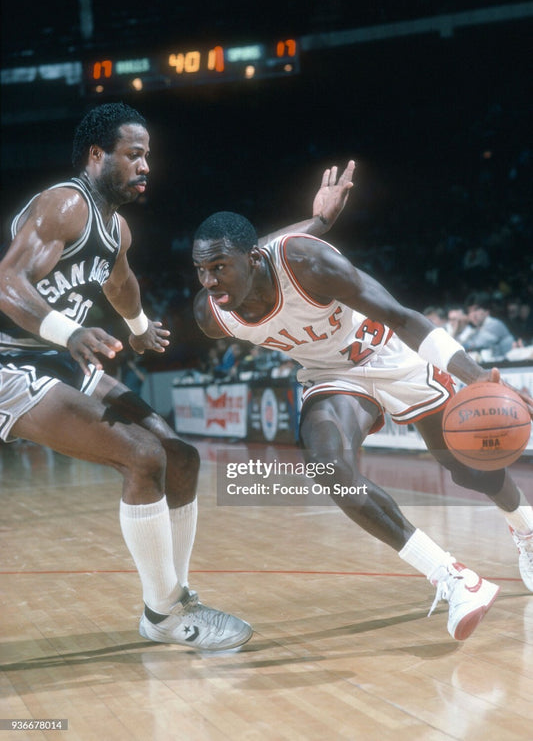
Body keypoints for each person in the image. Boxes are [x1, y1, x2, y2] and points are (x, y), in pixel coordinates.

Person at [0, 102, 355, 650]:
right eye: (133, 154)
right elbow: (7, 282)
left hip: (57, 360)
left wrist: (139, 327)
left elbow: (120, 285)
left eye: (148, 155)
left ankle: (174, 597)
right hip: (12, 362)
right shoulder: (65, 204)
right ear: (96, 155)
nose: (145, 165)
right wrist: (68, 332)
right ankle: (163, 614)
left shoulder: (115, 229)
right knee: (142, 457)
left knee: (180, 456)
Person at [192, 212, 533, 642]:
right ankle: (453, 578)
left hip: (391, 353)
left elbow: (402, 317)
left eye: (219, 267)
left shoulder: (307, 263)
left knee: (470, 470)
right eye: (201, 270)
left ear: (254, 259)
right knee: (329, 467)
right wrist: (316, 219)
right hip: (333, 377)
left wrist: (478, 377)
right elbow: (238, 256)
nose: (209, 281)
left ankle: (527, 530)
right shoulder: (213, 316)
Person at [462, 291, 515, 359]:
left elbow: (474, 344)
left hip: (512, 362)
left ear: (487, 311)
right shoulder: (477, 328)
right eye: (470, 311)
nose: (473, 314)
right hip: (499, 362)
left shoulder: (494, 324)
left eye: (476, 310)